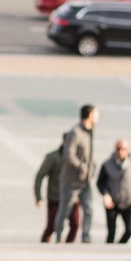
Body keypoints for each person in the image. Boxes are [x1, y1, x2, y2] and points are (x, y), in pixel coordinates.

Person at [55, 104, 98, 244]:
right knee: (64, 211)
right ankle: (59, 237)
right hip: (71, 181)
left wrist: (92, 167)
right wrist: (82, 167)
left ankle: (86, 236)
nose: (98, 116)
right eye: (96, 113)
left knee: (89, 209)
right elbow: (69, 155)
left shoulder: (90, 131)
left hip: (85, 181)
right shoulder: (75, 132)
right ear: (90, 115)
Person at [97, 140, 131, 244]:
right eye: (118, 149)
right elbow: (100, 183)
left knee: (130, 230)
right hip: (112, 202)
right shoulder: (107, 164)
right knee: (111, 231)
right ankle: (108, 251)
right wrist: (106, 194)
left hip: (127, 202)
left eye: (123, 149)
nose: (121, 152)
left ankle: (120, 246)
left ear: (128, 150)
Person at [35, 143, 72, 244]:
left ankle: (69, 247)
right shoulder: (53, 157)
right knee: (51, 226)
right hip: (55, 197)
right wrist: (38, 196)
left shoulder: (78, 156)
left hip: (72, 197)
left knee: (75, 223)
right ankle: (44, 246)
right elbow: (40, 175)